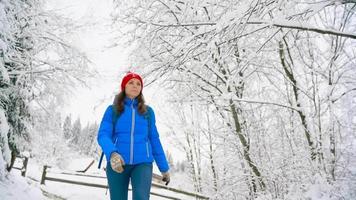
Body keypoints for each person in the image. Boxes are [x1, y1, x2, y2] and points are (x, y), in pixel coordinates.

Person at [97, 72, 170, 200]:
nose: (135, 86)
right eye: (131, 83)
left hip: (142, 163)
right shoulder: (112, 110)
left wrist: (164, 168)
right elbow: (103, 135)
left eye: (138, 84)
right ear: (124, 87)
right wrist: (112, 153)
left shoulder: (148, 112)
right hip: (117, 162)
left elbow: (154, 140)